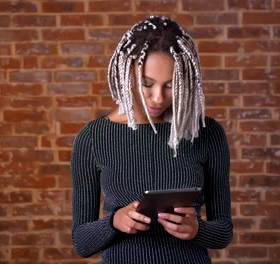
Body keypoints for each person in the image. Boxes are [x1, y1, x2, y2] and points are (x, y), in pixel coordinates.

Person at [70, 16, 232, 264]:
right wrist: (114, 222)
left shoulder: (206, 133)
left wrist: (198, 229)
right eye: (147, 83)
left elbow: (223, 232)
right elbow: (82, 243)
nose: (158, 98)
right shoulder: (93, 138)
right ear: (127, 74)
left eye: (170, 85)